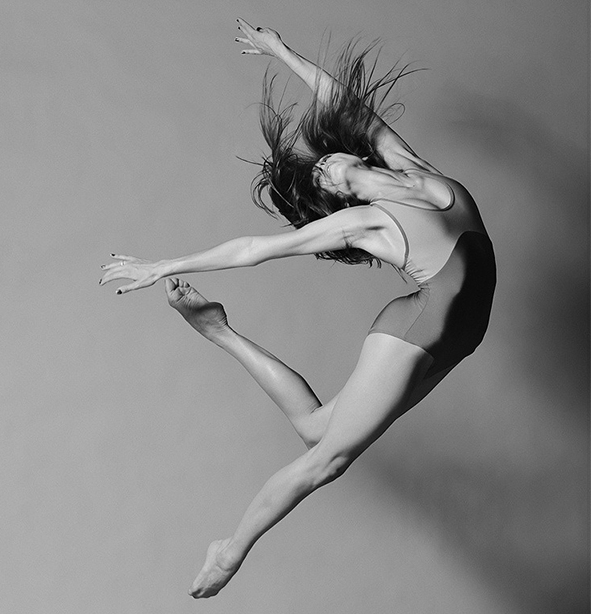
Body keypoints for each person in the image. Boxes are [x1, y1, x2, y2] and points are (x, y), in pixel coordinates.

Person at [99, 18, 496, 598]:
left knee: (316, 428)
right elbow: (254, 249)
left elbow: (348, 106)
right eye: (322, 177)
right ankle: (230, 551)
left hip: (461, 333)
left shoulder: (413, 169)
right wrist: (162, 264)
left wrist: (280, 51)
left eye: (326, 160)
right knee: (328, 461)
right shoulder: (363, 222)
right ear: (339, 197)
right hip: (419, 327)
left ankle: (219, 331)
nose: (326, 164)